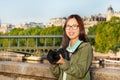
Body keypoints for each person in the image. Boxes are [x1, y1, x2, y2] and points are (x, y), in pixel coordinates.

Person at [50, 14, 93, 80]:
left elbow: (80, 72)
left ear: (80, 28)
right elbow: (58, 74)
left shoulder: (86, 47)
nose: (70, 29)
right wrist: (54, 64)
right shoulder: (63, 47)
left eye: (74, 26)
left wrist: (63, 62)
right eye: (68, 26)